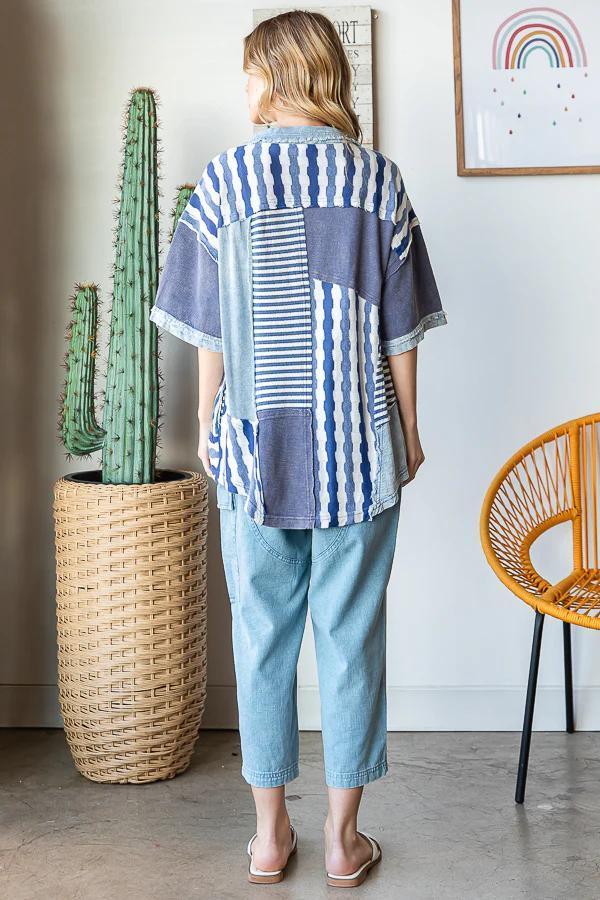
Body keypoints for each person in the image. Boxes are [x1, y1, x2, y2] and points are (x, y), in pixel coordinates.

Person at [150, 9, 447, 888]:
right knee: (351, 640)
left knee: (261, 640)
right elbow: (401, 331)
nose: (244, 88)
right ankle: (345, 843)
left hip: (256, 449)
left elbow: (208, 327)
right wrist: (408, 430)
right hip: (358, 448)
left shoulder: (225, 181)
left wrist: (206, 418)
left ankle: (271, 838)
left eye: (251, 71)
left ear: (277, 77)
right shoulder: (378, 181)